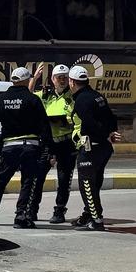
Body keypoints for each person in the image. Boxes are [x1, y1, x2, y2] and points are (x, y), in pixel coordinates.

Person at [0, 67, 53, 229]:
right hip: (30, 147)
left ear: (13, 81)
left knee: (0, 181)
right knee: (28, 181)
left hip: (9, 147)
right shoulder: (33, 99)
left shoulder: (0, 99)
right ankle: (21, 216)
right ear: (27, 81)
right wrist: (46, 147)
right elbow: (45, 126)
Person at [67, 66, 121, 231]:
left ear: (72, 82)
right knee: (95, 182)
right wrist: (110, 133)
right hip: (103, 148)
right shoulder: (97, 96)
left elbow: (90, 123)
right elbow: (111, 118)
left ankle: (96, 221)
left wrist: (103, 134)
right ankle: (89, 215)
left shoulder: (82, 100)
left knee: (87, 185)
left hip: (91, 148)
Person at [27, 64, 76, 223]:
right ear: (53, 79)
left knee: (64, 179)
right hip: (48, 143)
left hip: (67, 143)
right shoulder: (46, 95)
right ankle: (32, 210)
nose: (61, 80)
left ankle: (59, 211)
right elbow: (28, 96)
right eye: (58, 77)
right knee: (38, 176)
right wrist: (34, 79)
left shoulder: (74, 96)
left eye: (64, 78)